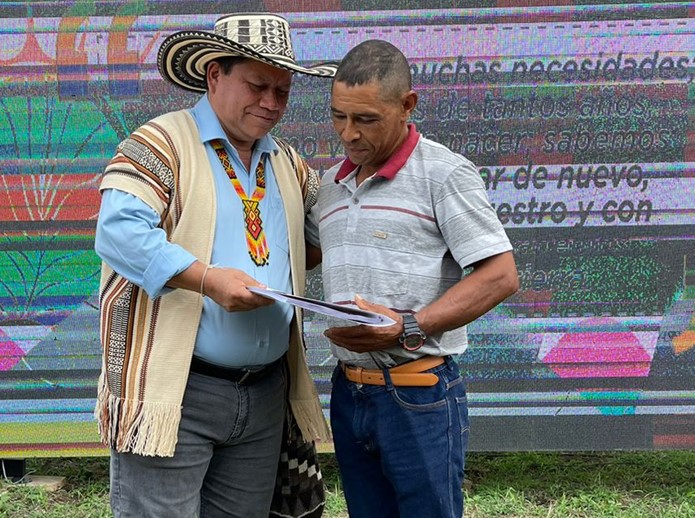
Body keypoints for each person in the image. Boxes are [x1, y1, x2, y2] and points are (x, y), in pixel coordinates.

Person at [94, 13, 335, 517]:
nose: (271, 103)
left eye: (282, 91)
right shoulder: (159, 143)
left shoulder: (287, 162)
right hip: (178, 393)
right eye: (257, 85)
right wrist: (207, 279)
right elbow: (119, 234)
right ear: (213, 75)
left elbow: (319, 237)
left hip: (265, 392)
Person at [304, 39, 520, 518]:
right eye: (339, 116)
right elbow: (301, 257)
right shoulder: (331, 186)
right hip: (349, 390)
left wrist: (409, 325)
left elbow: (500, 275)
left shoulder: (443, 175)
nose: (348, 134)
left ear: (408, 106)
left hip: (418, 393)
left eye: (365, 119)